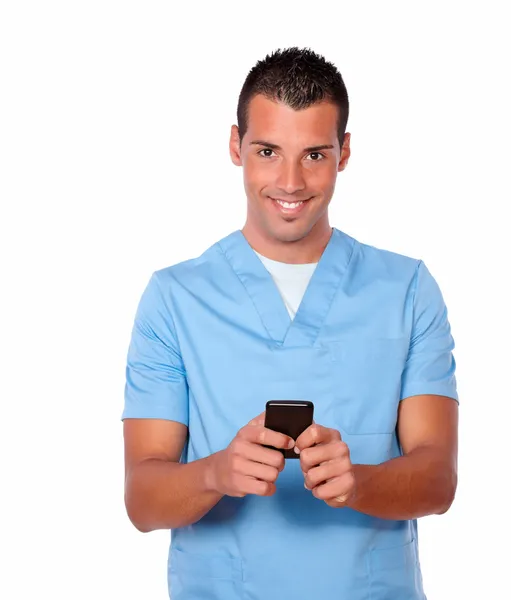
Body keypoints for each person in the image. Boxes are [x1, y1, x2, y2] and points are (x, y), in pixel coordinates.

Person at [122, 46, 459, 600]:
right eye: (268, 151)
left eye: (315, 155)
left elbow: (439, 479)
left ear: (344, 152)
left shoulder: (406, 290)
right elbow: (142, 500)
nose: (291, 181)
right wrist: (215, 474)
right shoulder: (174, 299)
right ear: (236, 146)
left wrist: (361, 482)